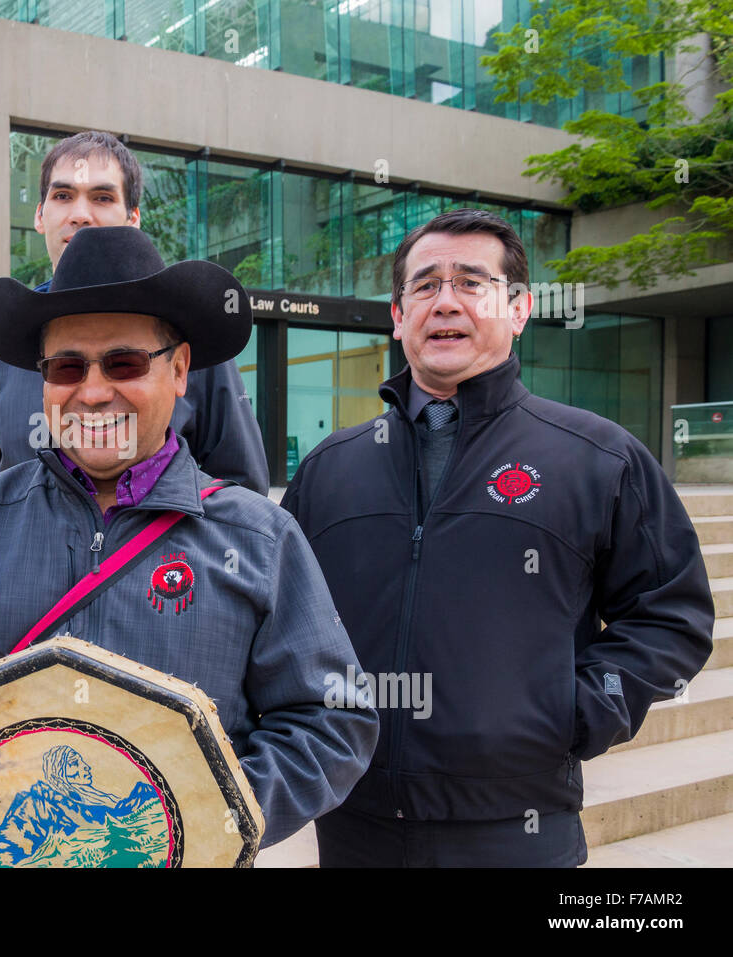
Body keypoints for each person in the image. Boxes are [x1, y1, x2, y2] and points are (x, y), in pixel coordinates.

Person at [0, 226, 378, 866]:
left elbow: (332, 721)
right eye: (67, 366)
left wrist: (195, 825)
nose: (94, 390)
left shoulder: (260, 537)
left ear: (180, 369)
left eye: (124, 363)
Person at [280, 208, 714, 867]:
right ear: (398, 316)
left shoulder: (596, 458)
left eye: (471, 282)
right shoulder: (329, 469)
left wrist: (570, 712)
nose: (445, 301)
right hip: (352, 827)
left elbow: (672, 615)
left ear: (519, 308)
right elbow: (286, 624)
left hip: (516, 831)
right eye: (424, 286)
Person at [0, 130, 270, 493]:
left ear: (132, 217)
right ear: (40, 216)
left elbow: (240, 487)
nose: (80, 214)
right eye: (63, 195)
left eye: (102, 197)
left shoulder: (183, 332)